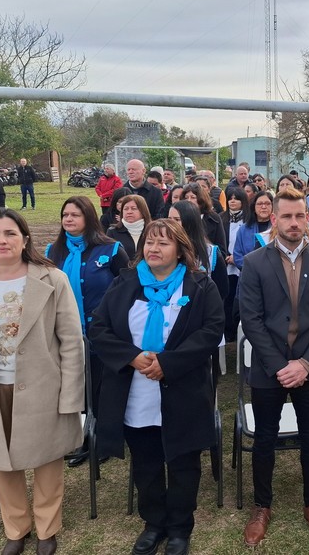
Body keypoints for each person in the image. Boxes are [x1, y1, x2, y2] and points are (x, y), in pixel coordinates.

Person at [0, 208, 84, 555]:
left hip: (43, 387)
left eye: (10, 233)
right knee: (0, 461)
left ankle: (47, 529)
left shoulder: (52, 279)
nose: (2, 240)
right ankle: (16, 527)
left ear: (24, 239)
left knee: (47, 460)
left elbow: (71, 340)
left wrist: (70, 397)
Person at [89, 220, 224, 555]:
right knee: (146, 463)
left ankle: (180, 528)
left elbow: (211, 331)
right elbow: (100, 328)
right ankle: (154, 523)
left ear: (180, 249)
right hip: (135, 393)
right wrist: (133, 357)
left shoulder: (199, 285)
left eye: (163, 243)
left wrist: (169, 363)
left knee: (183, 464)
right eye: (149, 242)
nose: (154, 248)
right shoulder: (125, 283)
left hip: (183, 391)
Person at [238, 187, 309, 548]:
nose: (294, 223)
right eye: (286, 216)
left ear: (308, 218)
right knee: (265, 438)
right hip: (271, 367)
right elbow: (250, 320)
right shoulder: (253, 263)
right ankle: (261, 506)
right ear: (273, 218)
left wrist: (306, 363)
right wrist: (283, 366)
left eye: (300, 216)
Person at [45, 196, 129, 468]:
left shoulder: (112, 249)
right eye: (65, 214)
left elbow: (127, 289)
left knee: (102, 386)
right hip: (66, 332)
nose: (68, 219)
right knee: (75, 384)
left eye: (75, 215)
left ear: (89, 218)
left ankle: (103, 440)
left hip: (103, 332)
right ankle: (80, 438)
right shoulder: (53, 252)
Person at [220, 188, 248, 341]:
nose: (232, 201)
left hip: (241, 265)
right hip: (226, 265)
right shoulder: (221, 218)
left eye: (236, 198)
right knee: (227, 298)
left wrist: (236, 258)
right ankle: (228, 333)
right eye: (230, 198)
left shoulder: (249, 220)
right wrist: (226, 256)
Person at [181, 183, 227, 254]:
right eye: (186, 197)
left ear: (201, 199)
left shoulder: (213, 218)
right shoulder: (179, 217)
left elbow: (221, 248)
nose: (189, 200)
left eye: (193, 197)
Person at [233, 190, 274, 269]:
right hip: (249, 274)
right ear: (254, 207)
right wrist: (254, 270)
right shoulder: (244, 229)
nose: (263, 207)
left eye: (267, 203)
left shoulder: (278, 228)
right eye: (259, 204)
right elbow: (237, 257)